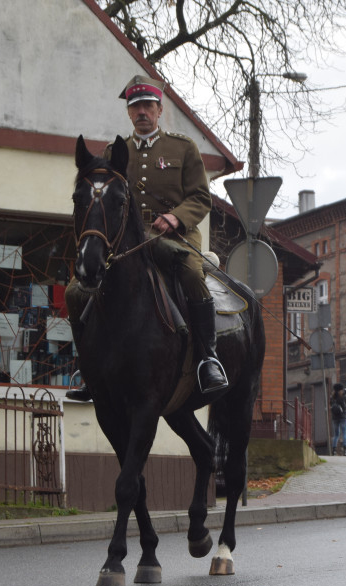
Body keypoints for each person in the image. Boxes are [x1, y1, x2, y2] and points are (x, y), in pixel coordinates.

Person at [65, 74, 226, 400]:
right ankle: (89, 367)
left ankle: (208, 358)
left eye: (147, 106)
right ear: (128, 112)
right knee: (74, 292)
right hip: (126, 242)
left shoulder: (183, 148)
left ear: (159, 109)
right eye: (135, 106)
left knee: (193, 274)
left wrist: (175, 217)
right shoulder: (115, 151)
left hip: (175, 236)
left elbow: (200, 198)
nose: (142, 112)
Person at [329, 383, 346, 455]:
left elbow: (331, 405)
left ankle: (334, 450)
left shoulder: (332, 396)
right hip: (343, 416)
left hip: (335, 417)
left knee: (336, 435)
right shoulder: (343, 396)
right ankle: (345, 450)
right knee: (344, 433)